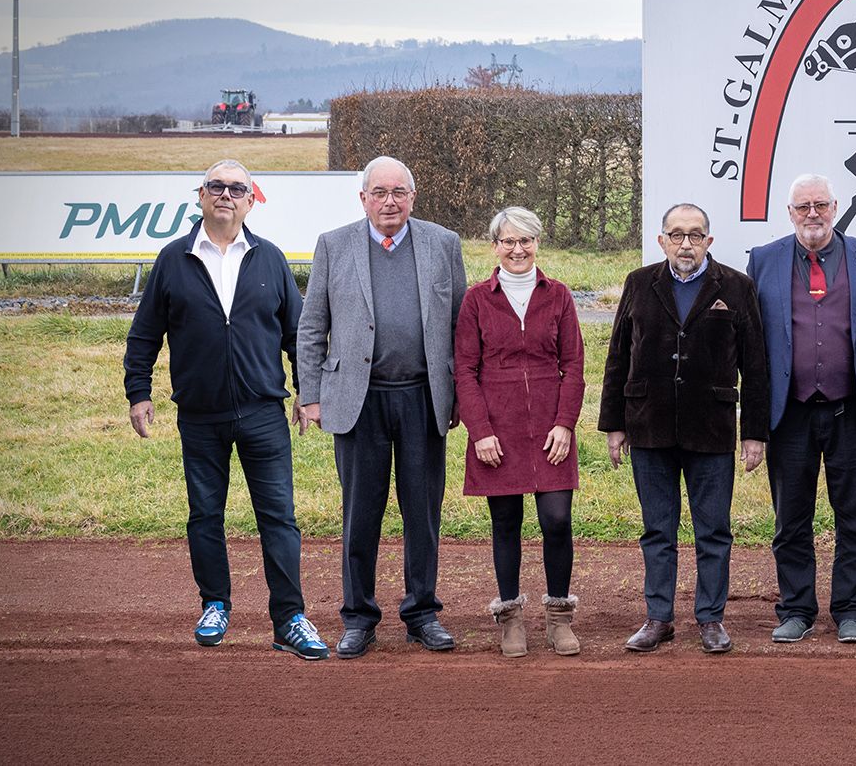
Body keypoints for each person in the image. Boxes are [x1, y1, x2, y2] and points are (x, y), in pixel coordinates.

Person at [122, 159, 328, 660]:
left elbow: (296, 335)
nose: (226, 195)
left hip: (262, 412)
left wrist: (307, 392)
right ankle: (215, 604)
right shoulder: (173, 260)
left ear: (250, 200)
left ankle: (290, 619)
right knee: (205, 516)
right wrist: (139, 391)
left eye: (237, 188)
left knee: (278, 518)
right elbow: (146, 332)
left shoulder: (271, 258)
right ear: (200, 196)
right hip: (200, 415)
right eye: (217, 186)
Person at [296, 155, 468, 659]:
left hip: (422, 396)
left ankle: (421, 613)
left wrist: (459, 393)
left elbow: (461, 324)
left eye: (399, 192)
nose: (389, 201)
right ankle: (358, 618)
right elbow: (312, 326)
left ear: (413, 198)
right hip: (357, 399)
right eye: (380, 192)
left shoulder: (443, 243)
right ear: (364, 198)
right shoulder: (334, 244)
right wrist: (310, 395)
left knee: (423, 512)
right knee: (360, 513)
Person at [598, 203, 771, 654]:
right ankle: (658, 618)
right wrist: (614, 424)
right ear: (662, 241)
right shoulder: (640, 283)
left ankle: (710, 618)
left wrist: (754, 433)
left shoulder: (736, 286)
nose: (686, 243)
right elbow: (618, 356)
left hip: (710, 429)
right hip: (648, 425)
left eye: (695, 235)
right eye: (677, 235)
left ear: (709, 241)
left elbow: (756, 366)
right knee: (658, 529)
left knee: (713, 530)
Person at [747, 174, 856, 645]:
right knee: (791, 519)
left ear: (835, 207)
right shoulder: (763, 262)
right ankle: (796, 610)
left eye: (821, 204)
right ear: (789, 212)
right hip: (791, 414)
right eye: (802, 205)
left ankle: (851, 611)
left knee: (855, 518)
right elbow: (751, 344)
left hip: (853, 411)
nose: (812, 213)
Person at [454, 207, 585, 657]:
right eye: (508, 241)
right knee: (506, 523)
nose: (517, 249)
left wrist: (565, 424)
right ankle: (510, 619)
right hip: (498, 431)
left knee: (556, 519)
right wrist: (480, 431)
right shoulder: (476, 299)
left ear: (537, 244)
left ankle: (559, 618)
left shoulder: (560, 295)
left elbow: (575, 367)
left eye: (526, 241)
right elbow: (465, 371)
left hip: (551, 430)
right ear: (494, 247)